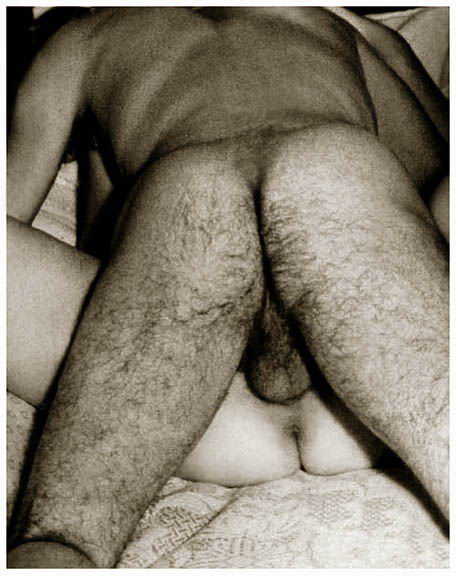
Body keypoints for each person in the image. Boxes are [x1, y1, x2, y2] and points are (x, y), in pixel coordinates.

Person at [7, 6, 448, 568]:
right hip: (178, 401)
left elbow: (432, 190)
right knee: (211, 184)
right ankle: (57, 544)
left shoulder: (347, 27)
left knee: (304, 169)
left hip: (373, 387)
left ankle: (60, 541)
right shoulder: (81, 37)